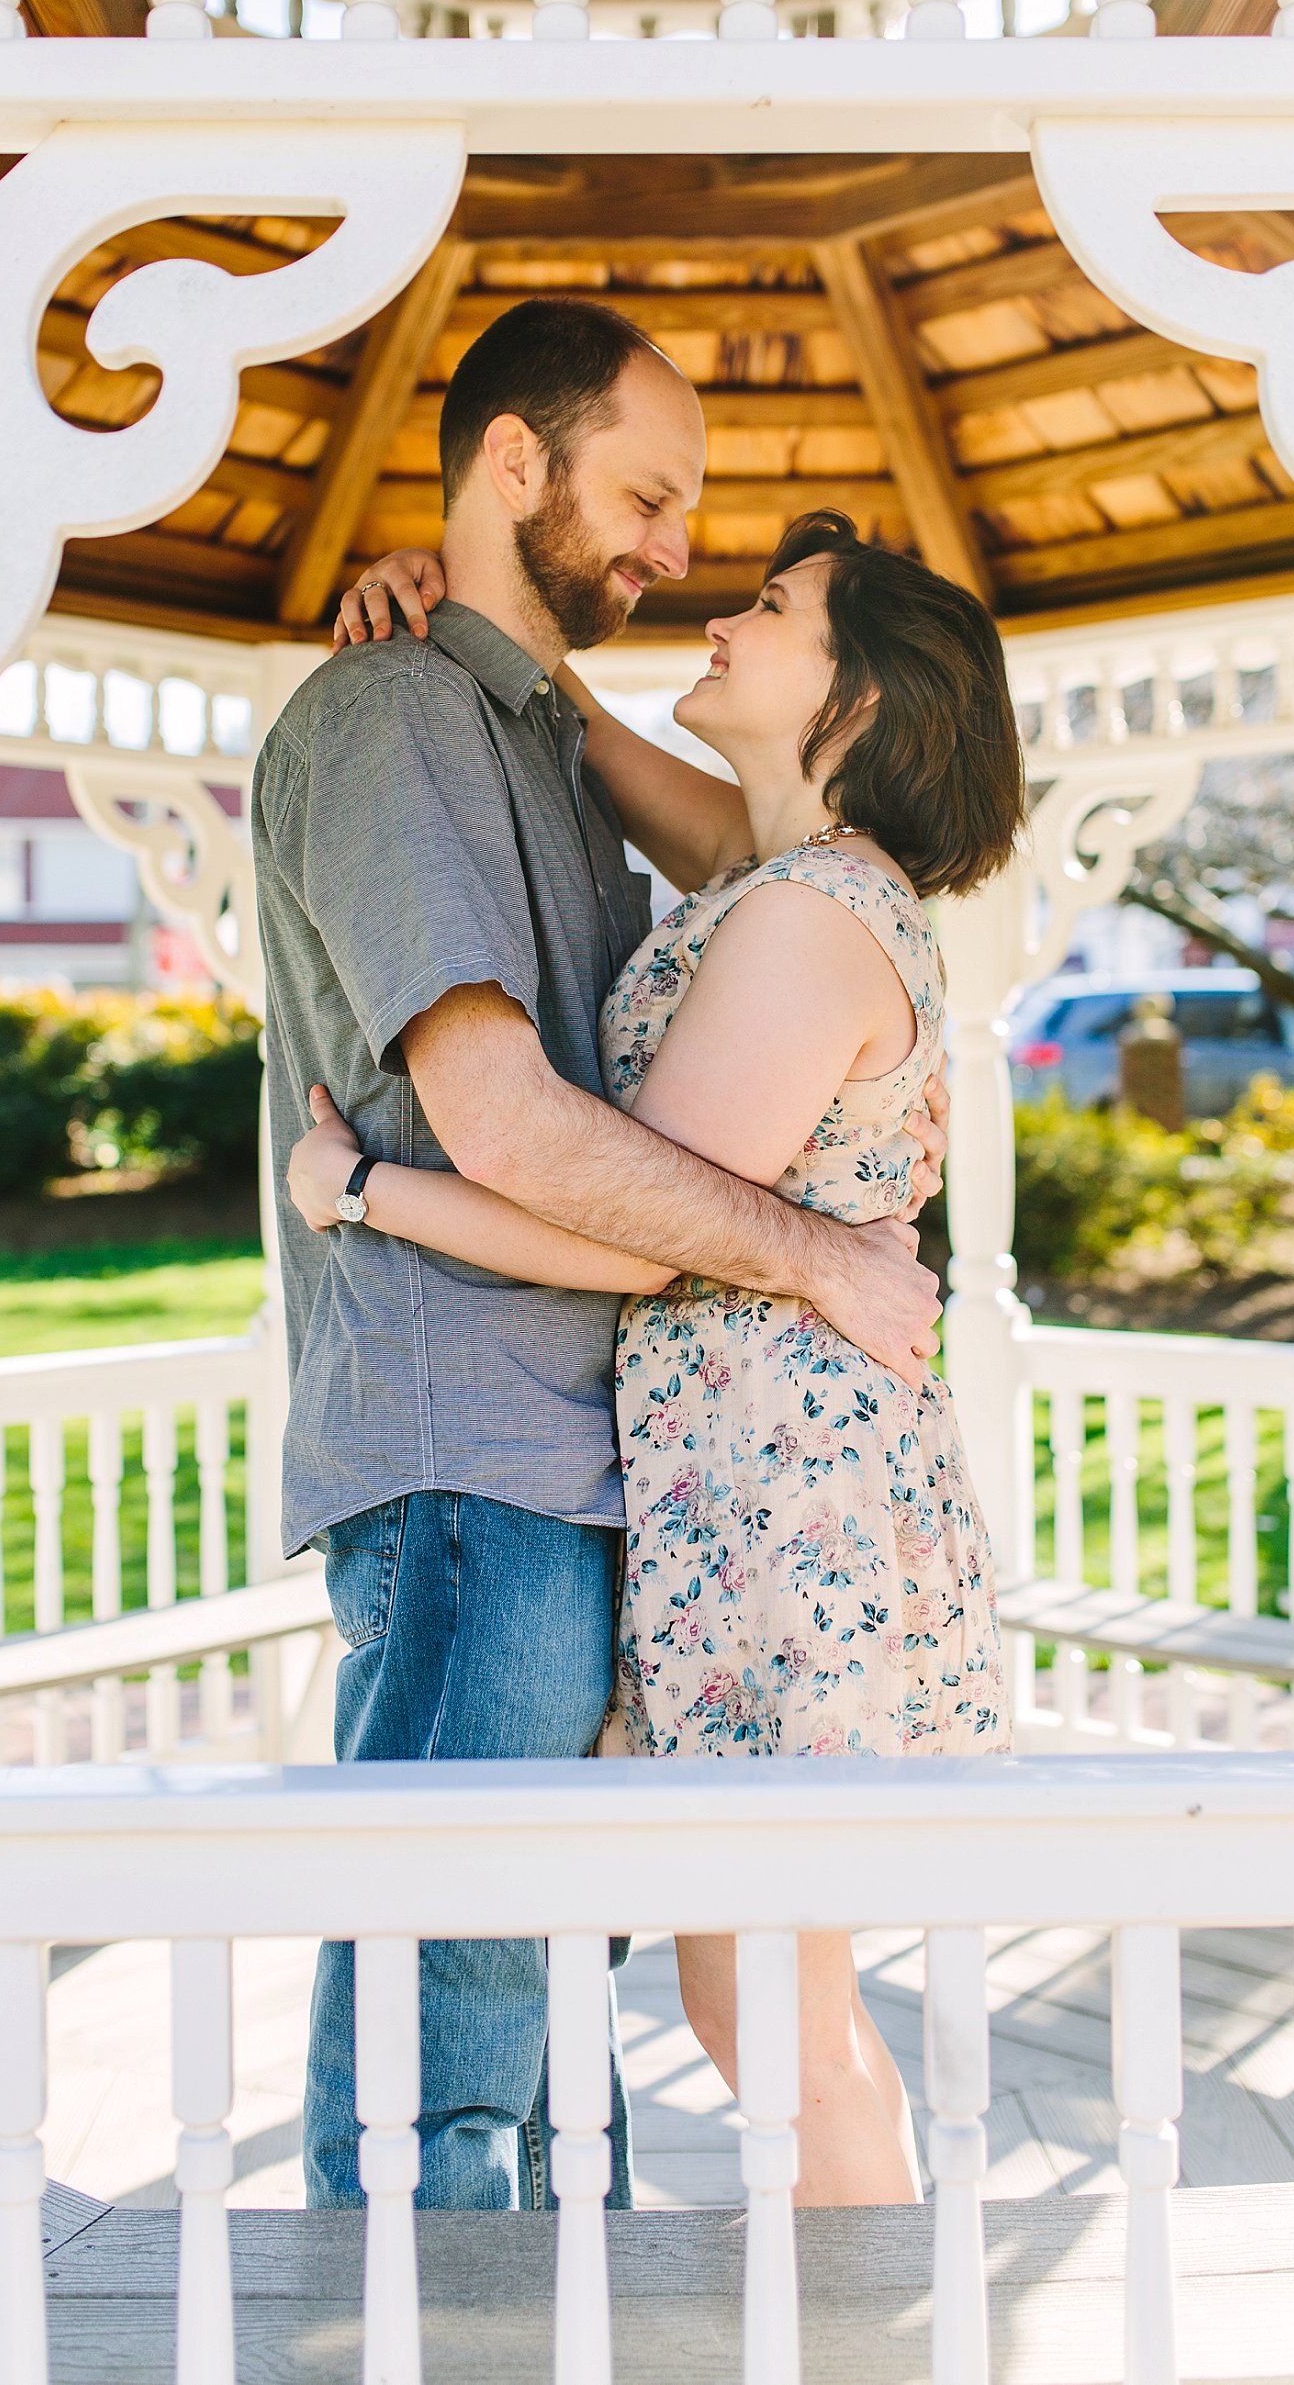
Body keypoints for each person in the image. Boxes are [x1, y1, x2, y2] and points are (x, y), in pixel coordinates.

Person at [250, 296, 949, 2216]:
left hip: (610, 1458)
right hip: (473, 1439)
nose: (672, 550)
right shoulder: (395, 717)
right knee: (463, 2028)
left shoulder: (558, 754)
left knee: (565, 2043)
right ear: (510, 462)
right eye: (645, 494)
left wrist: (533, 666)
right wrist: (808, 1252)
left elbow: (764, 850)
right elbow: (517, 1129)